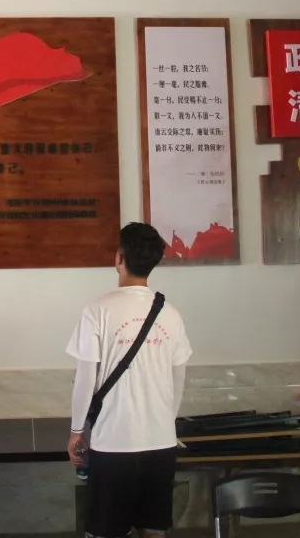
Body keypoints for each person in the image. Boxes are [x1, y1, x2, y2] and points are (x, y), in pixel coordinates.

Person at [66, 222, 192, 538]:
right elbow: (178, 380)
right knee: (154, 530)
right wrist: (165, 424)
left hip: (113, 444)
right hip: (161, 444)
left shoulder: (98, 310)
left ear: (119, 258)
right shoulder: (171, 314)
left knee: (106, 531)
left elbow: (85, 379)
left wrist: (77, 432)